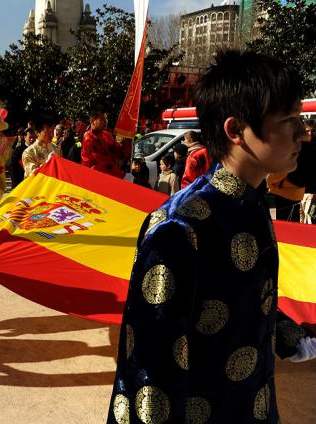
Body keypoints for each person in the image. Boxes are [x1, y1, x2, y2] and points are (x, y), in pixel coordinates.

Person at [107, 50, 316, 424]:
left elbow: (236, 294)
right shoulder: (179, 228)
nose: (303, 132)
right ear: (235, 131)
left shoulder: (251, 204)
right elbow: (150, 372)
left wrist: (286, 332)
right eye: (287, 120)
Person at [81, 107, 131, 178]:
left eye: (106, 118)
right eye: (102, 119)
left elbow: (120, 153)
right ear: (92, 121)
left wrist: (127, 138)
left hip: (109, 176)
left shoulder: (107, 135)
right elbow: (102, 164)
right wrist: (122, 175)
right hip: (94, 178)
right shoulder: (89, 139)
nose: (106, 122)